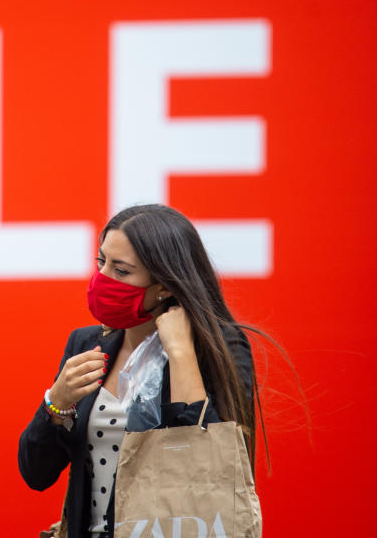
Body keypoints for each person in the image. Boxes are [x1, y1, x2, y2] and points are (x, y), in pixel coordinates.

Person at [18, 204, 260, 538]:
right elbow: (36, 473)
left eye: (122, 270)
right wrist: (55, 404)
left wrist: (180, 352)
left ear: (165, 285)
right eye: (101, 261)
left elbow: (204, 465)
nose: (103, 278)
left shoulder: (221, 348)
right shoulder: (87, 343)